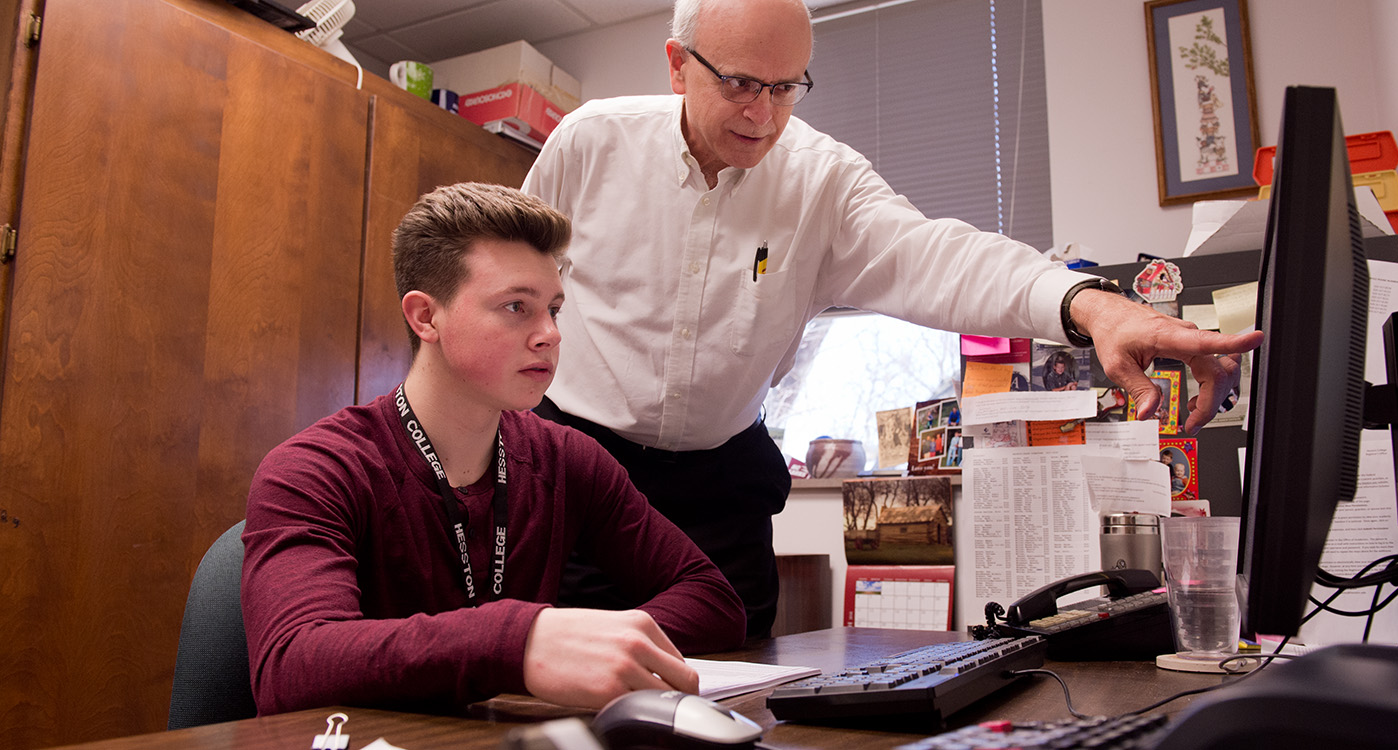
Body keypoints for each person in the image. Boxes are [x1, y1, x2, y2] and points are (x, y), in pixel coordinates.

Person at [522, 0, 1263, 638]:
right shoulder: (590, 143)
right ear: (678, 66)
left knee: (730, 694)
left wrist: (1091, 306)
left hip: (723, 490)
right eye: (741, 83)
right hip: (581, 473)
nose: (763, 114)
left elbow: (936, 257)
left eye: (786, 87)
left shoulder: (821, 179)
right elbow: (515, 284)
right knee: (563, 693)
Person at [240, 183, 746, 716]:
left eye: (554, 309)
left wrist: (589, 645)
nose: (549, 334)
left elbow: (712, 599)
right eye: (515, 307)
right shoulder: (314, 470)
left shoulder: (567, 459)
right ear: (425, 317)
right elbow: (291, 664)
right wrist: (520, 643)